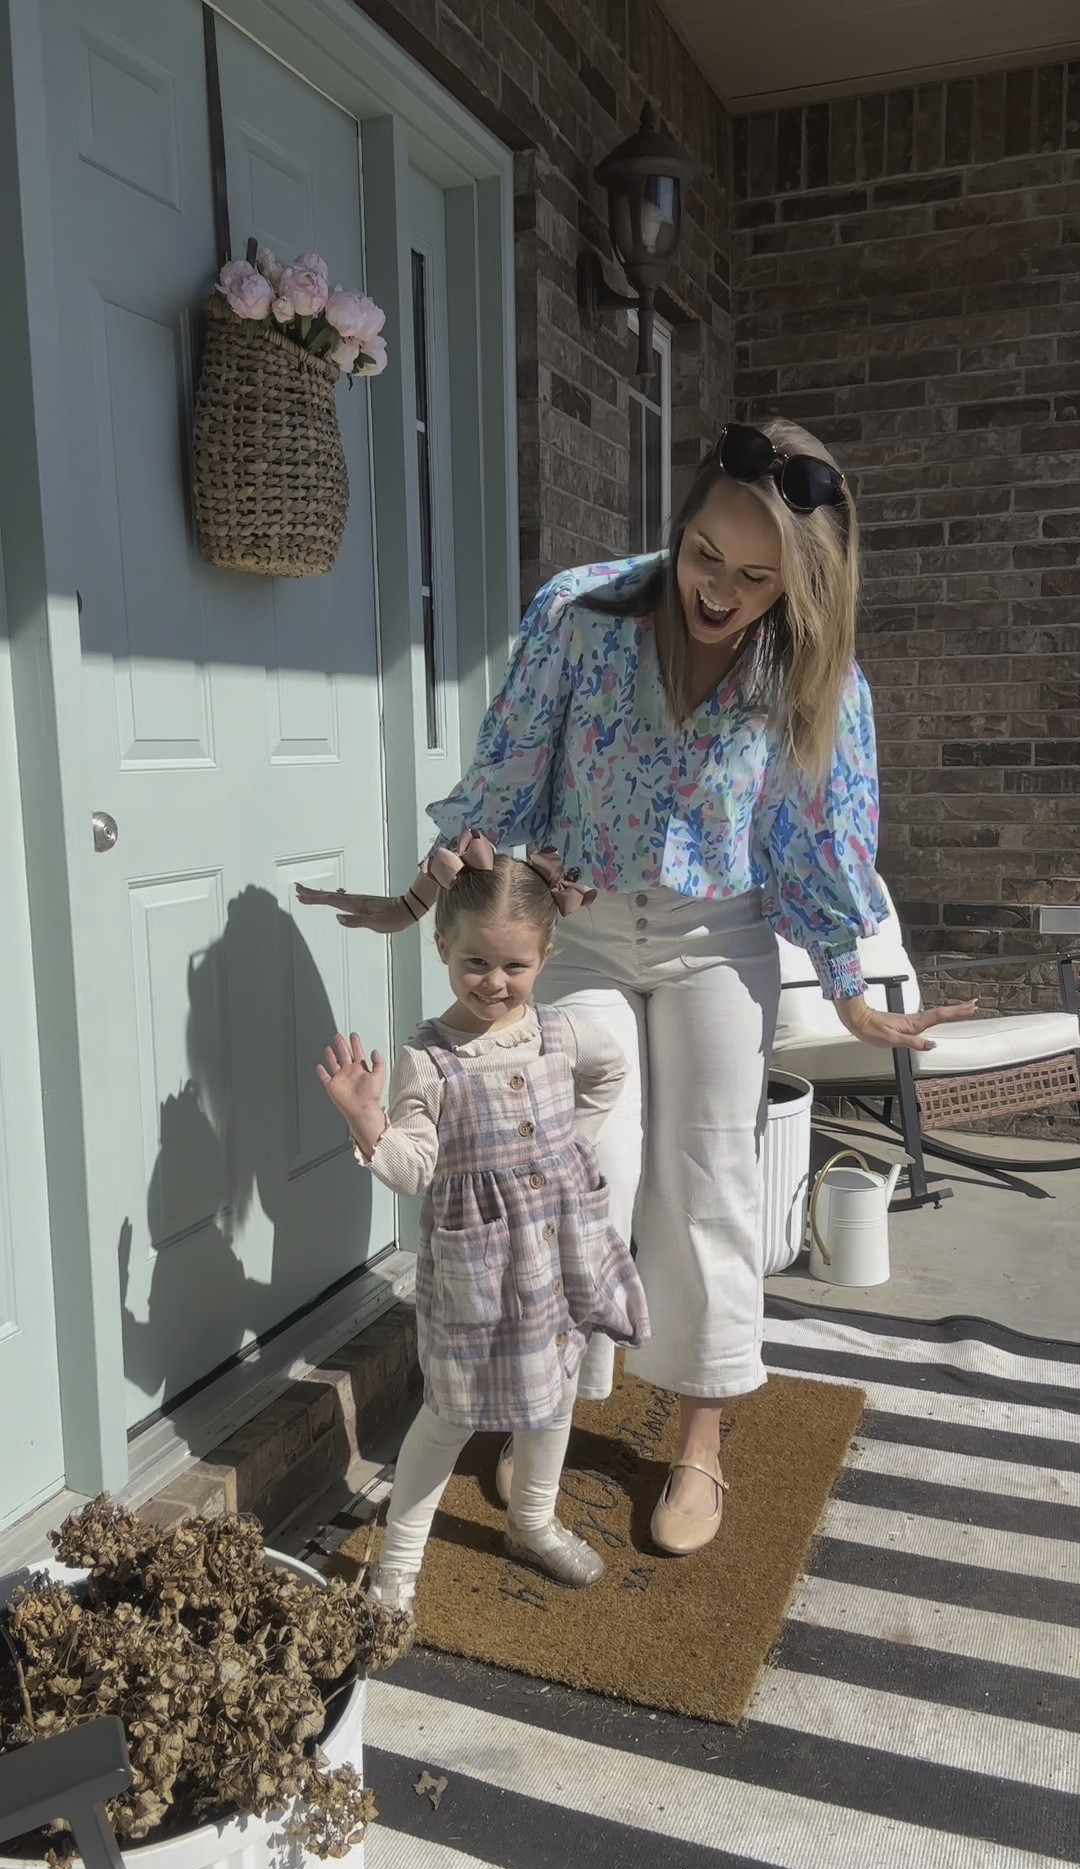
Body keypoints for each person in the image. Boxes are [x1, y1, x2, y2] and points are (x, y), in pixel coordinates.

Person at [300, 416, 974, 1558]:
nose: (722, 589)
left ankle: (700, 1439)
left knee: (708, 1180)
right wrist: (422, 900)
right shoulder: (581, 612)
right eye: (708, 555)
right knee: (580, 1175)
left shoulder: (818, 674)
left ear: (798, 584)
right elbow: (508, 777)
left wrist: (856, 995)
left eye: (757, 578)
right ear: (683, 523)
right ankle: (552, 1404)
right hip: (589, 929)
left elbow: (817, 847)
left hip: (726, 937)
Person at [315, 843, 650, 1616]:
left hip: (556, 1254)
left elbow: (612, 1069)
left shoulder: (562, 1034)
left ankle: (531, 1521)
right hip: (476, 1268)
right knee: (453, 1411)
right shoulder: (428, 1060)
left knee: (555, 1394)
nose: (494, 983)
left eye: (514, 967)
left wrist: (575, 1143)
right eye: (474, 964)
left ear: (545, 956)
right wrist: (370, 1124)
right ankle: (397, 1565)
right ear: (441, 948)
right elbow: (411, 1170)